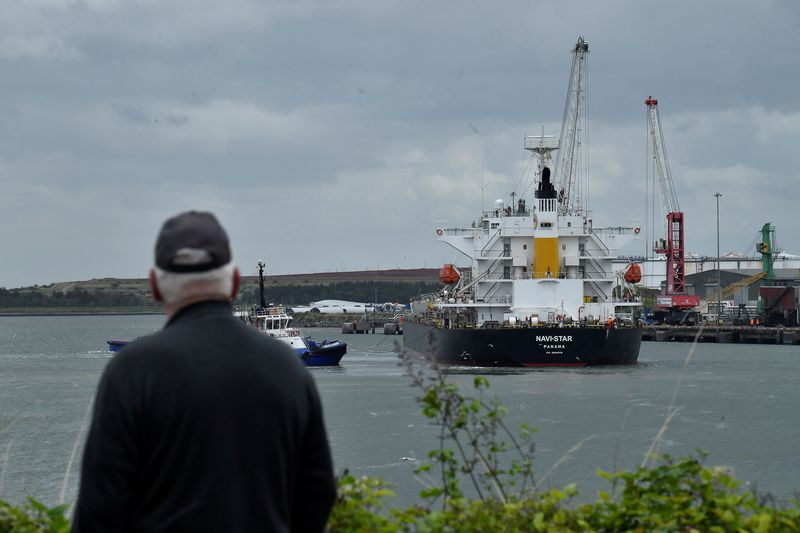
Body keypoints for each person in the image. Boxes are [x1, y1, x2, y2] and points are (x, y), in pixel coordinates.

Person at [73, 211, 336, 532]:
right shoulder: (288, 368)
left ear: (156, 286)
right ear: (235, 282)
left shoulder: (130, 372)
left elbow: (98, 509)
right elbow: (317, 494)